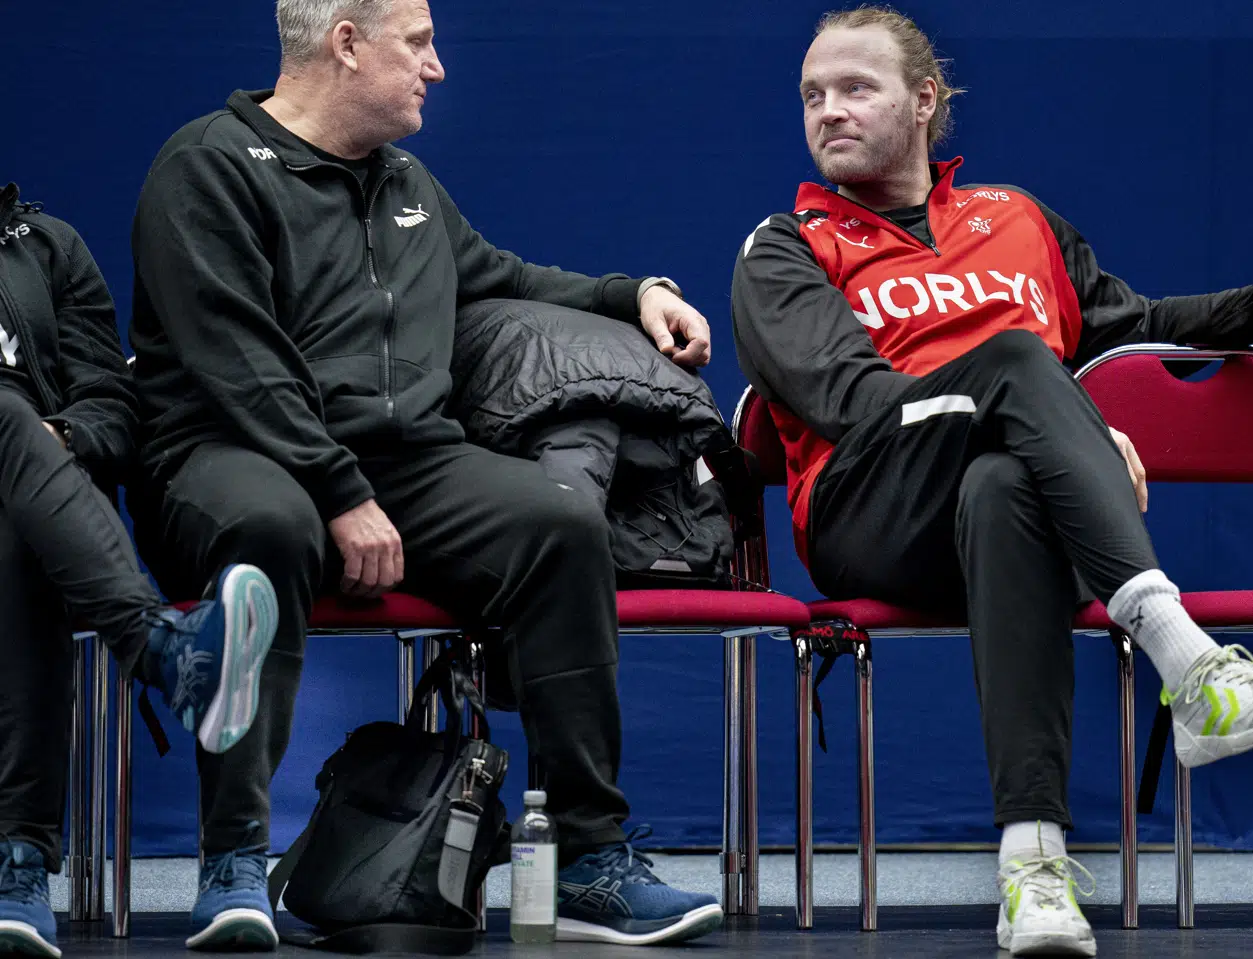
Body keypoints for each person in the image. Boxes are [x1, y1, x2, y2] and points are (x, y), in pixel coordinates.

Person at [731, 7, 1253, 957]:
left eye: (857, 88)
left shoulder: (1016, 221)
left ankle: (1033, 866)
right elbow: (848, 400)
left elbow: (1138, 325)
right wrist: (1061, 413)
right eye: (813, 95)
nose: (829, 111)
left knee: (1005, 489)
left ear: (925, 100)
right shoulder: (784, 246)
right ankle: (1190, 662)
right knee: (1021, 367)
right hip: (871, 509)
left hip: (1012, 516)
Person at [127, 0, 722, 950]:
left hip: (405, 466)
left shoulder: (407, 182)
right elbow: (242, 365)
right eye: (420, 44)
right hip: (226, 455)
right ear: (346, 42)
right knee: (271, 527)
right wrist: (340, 494)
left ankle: (590, 858)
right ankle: (232, 859)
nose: (437, 68)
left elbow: (504, 276)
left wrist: (634, 293)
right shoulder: (205, 167)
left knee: (560, 525)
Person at [0, 184, 278, 959]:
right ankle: (160, 647)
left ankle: (14, 860)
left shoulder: (47, 248)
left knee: (16, 516)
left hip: (27, 506)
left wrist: (56, 438)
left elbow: (114, 409)